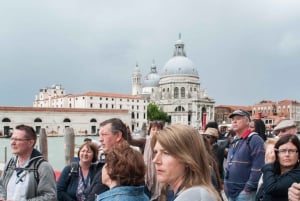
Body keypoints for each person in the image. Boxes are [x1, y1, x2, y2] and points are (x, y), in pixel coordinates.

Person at [151, 124, 221, 201]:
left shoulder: (193, 197)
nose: (155, 160)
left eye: (166, 153)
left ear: (188, 158)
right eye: (156, 152)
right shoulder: (180, 192)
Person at [0, 124, 57, 200]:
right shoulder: (10, 164)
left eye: (17, 140)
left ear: (30, 143)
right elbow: (2, 187)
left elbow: (50, 197)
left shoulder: (43, 167)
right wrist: (2, 197)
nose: (12, 143)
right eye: (12, 139)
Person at [224, 110, 265, 201]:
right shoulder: (234, 140)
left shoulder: (255, 139)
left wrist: (248, 188)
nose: (234, 121)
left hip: (244, 194)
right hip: (231, 192)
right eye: (233, 119)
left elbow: (258, 167)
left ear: (247, 122)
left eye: (238, 119)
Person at [84, 118, 128, 201]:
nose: (100, 139)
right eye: (100, 135)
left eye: (104, 134)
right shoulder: (113, 161)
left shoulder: (124, 165)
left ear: (118, 135)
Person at [128, 120, 164, 201]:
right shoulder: (145, 141)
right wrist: (128, 133)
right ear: (150, 131)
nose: (156, 132)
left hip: (160, 176)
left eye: (158, 129)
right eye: (153, 129)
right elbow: (131, 141)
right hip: (146, 177)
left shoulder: (165, 143)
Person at [256, 134, 300, 201]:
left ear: (298, 154)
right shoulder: (274, 168)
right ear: (276, 153)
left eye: (291, 151)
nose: (287, 154)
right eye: (283, 151)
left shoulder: (298, 173)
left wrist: (268, 164)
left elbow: (271, 188)